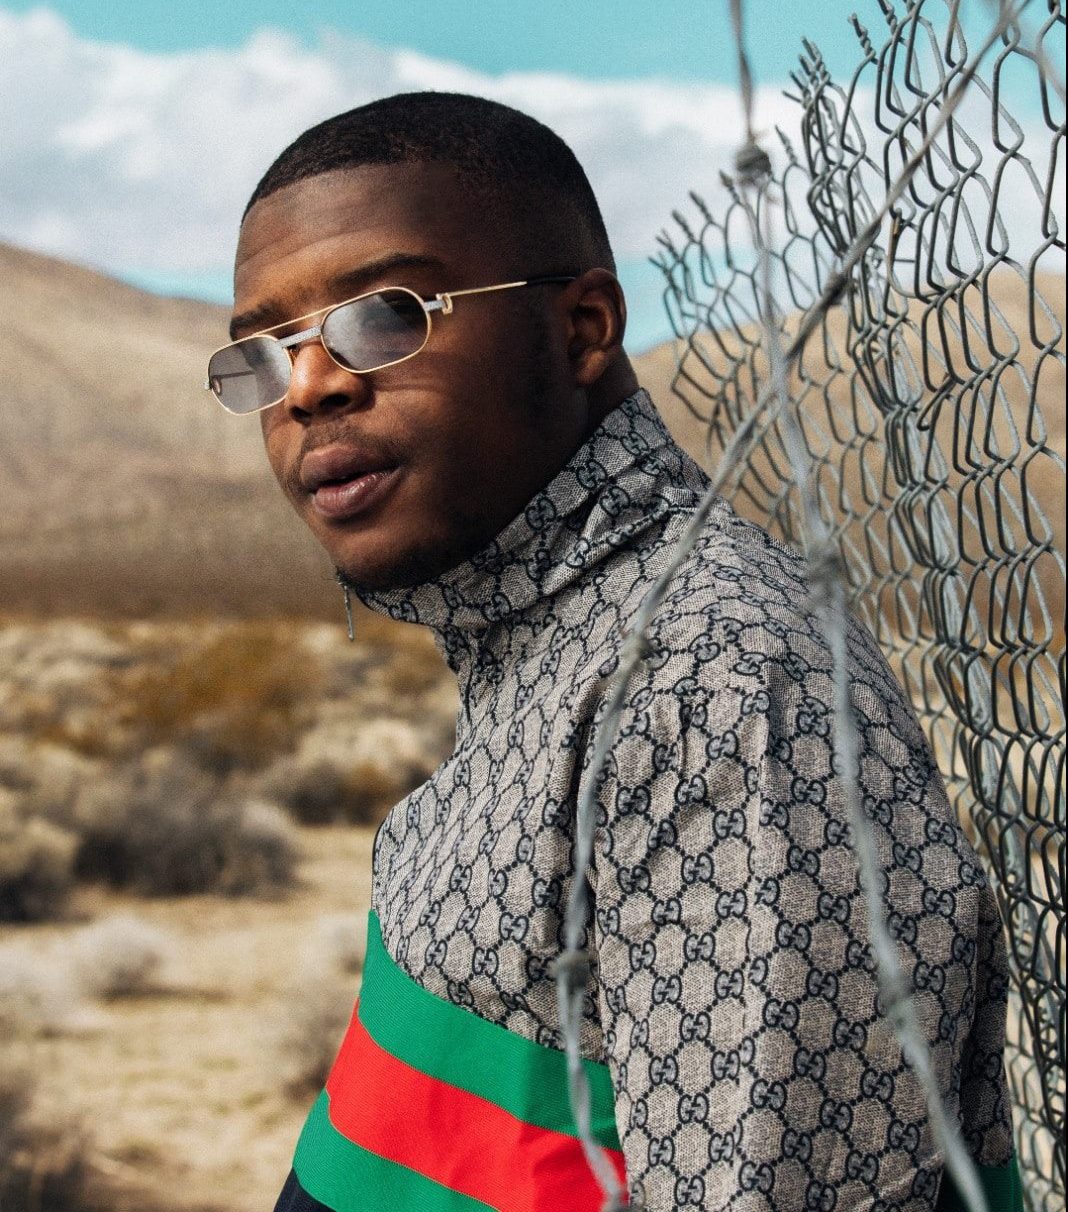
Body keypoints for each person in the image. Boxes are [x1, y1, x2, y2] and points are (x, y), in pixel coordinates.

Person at [208, 92, 1022, 1211]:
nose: (309, 387)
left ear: (583, 329)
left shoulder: (716, 694)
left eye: (385, 316)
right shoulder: (552, 628)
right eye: (266, 352)